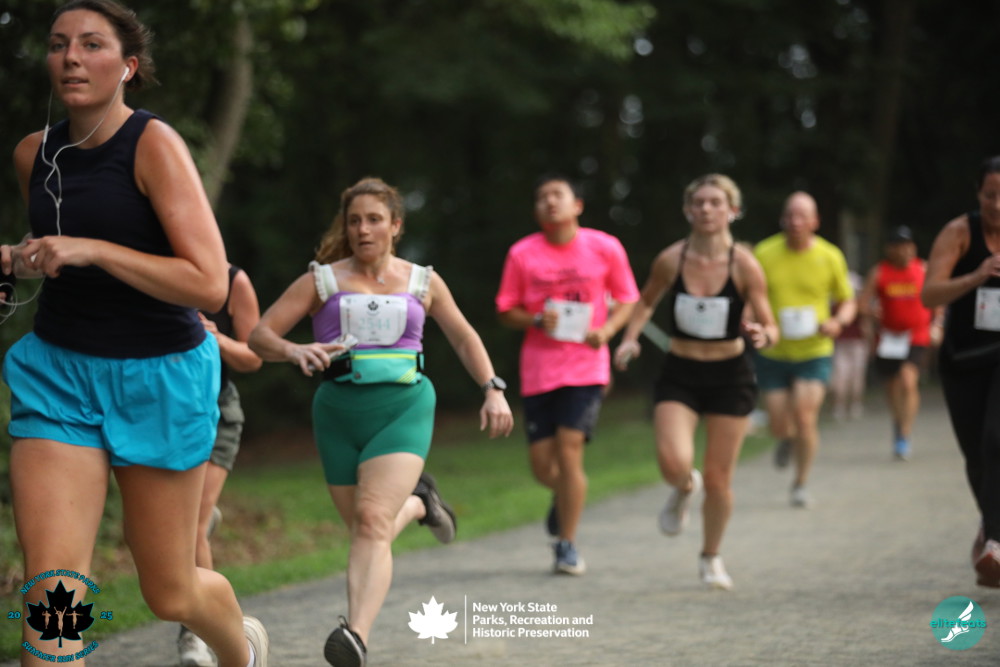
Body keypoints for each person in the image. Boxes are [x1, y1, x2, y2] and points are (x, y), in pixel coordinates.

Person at [2, 2, 268, 665]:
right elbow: (53, 248)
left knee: (170, 590)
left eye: (91, 44)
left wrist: (93, 249)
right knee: (54, 587)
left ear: (127, 66)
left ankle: (242, 649)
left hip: (159, 376)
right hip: (59, 374)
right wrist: (17, 261)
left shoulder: (154, 144)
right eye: (59, 44)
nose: (71, 56)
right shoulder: (34, 153)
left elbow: (208, 283)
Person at [248, 176, 513, 666]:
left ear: (395, 225)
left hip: (404, 408)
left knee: (371, 523)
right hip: (337, 413)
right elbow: (260, 335)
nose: (363, 229)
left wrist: (492, 388)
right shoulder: (321, 281)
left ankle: (355, 637)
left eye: (374, 219)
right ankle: (418, 504)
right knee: (365, 530)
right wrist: (293, 350)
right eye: (354, 221)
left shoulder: (423, 282)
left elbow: (463, 336)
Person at [613, 174, 779, 590]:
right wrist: (630, 338)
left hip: (730, 376)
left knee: (720, 478)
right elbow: (645, 302)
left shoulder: (745, 265)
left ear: (732, 211)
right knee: (673, 463)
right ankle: (685, 487)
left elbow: (770, 323)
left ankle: (711, 557)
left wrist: (764, 335)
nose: (706, 209)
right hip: (681, 374)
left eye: (715, 203)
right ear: (688, 210)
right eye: (699, 203)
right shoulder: (672, 259)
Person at [495, 174, 639, 575]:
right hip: (539, 368)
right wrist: (536, 318)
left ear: (577, 205)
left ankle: (566, 544)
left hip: (586, 366)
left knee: (570, 448)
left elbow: (628, 298)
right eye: (541, 197)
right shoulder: (522, 253)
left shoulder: (604, 247)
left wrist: (607, 330)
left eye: (557, 195)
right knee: (542, 465)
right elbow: (505, 310)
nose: (549, 202)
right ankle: (564, 496)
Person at [178, 264, 263, 667]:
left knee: (193, 521)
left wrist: (217, 338)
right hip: (163, 411)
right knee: (178, 526)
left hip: (217, 408)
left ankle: (195, 637)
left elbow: (254, 356)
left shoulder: (232, 280)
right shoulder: (140, 269)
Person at [922, 156, 1000, 588]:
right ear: (978, 194)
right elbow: (929, 294)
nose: (998, 205)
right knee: (976, 454)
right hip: (964, 359)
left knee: (996, 440)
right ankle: (990, 527)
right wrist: (975, 275)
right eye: (990, 195)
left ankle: (995, 543)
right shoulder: (959, 232)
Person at [753, 191, 856, 508]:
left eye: (802, 216)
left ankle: (800, 483)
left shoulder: (830, 256)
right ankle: (784, 438)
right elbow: (751, 295)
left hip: (814, 350)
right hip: (773, 351)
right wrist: (753, 323)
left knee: (805, 417)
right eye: (790, 215)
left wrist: (837, 322)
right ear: (782, 219)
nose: (795, 221)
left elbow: (848, 301)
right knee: (779, 422)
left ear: (815, 221)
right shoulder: (764, 252)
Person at [858, 226, 938, 461]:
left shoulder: (924, 269)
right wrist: (871, 312)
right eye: (899, 246)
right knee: (892, 386)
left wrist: (938, 324)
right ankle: (898, 421)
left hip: (916, 335)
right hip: (888, 339)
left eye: (907, 245)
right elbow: (862, 304)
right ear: (889, 249)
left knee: (908, 381)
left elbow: (938, 299)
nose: (904, 250)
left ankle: (904, 432)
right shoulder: (879, 272)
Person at [829, 270, 869, 422]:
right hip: (841, 344)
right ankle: (841, 406)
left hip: (857, 344)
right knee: (842, 376)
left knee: (854, 376)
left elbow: (866, 326)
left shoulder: (859, 305)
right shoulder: (836, 305)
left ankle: (852, 405)